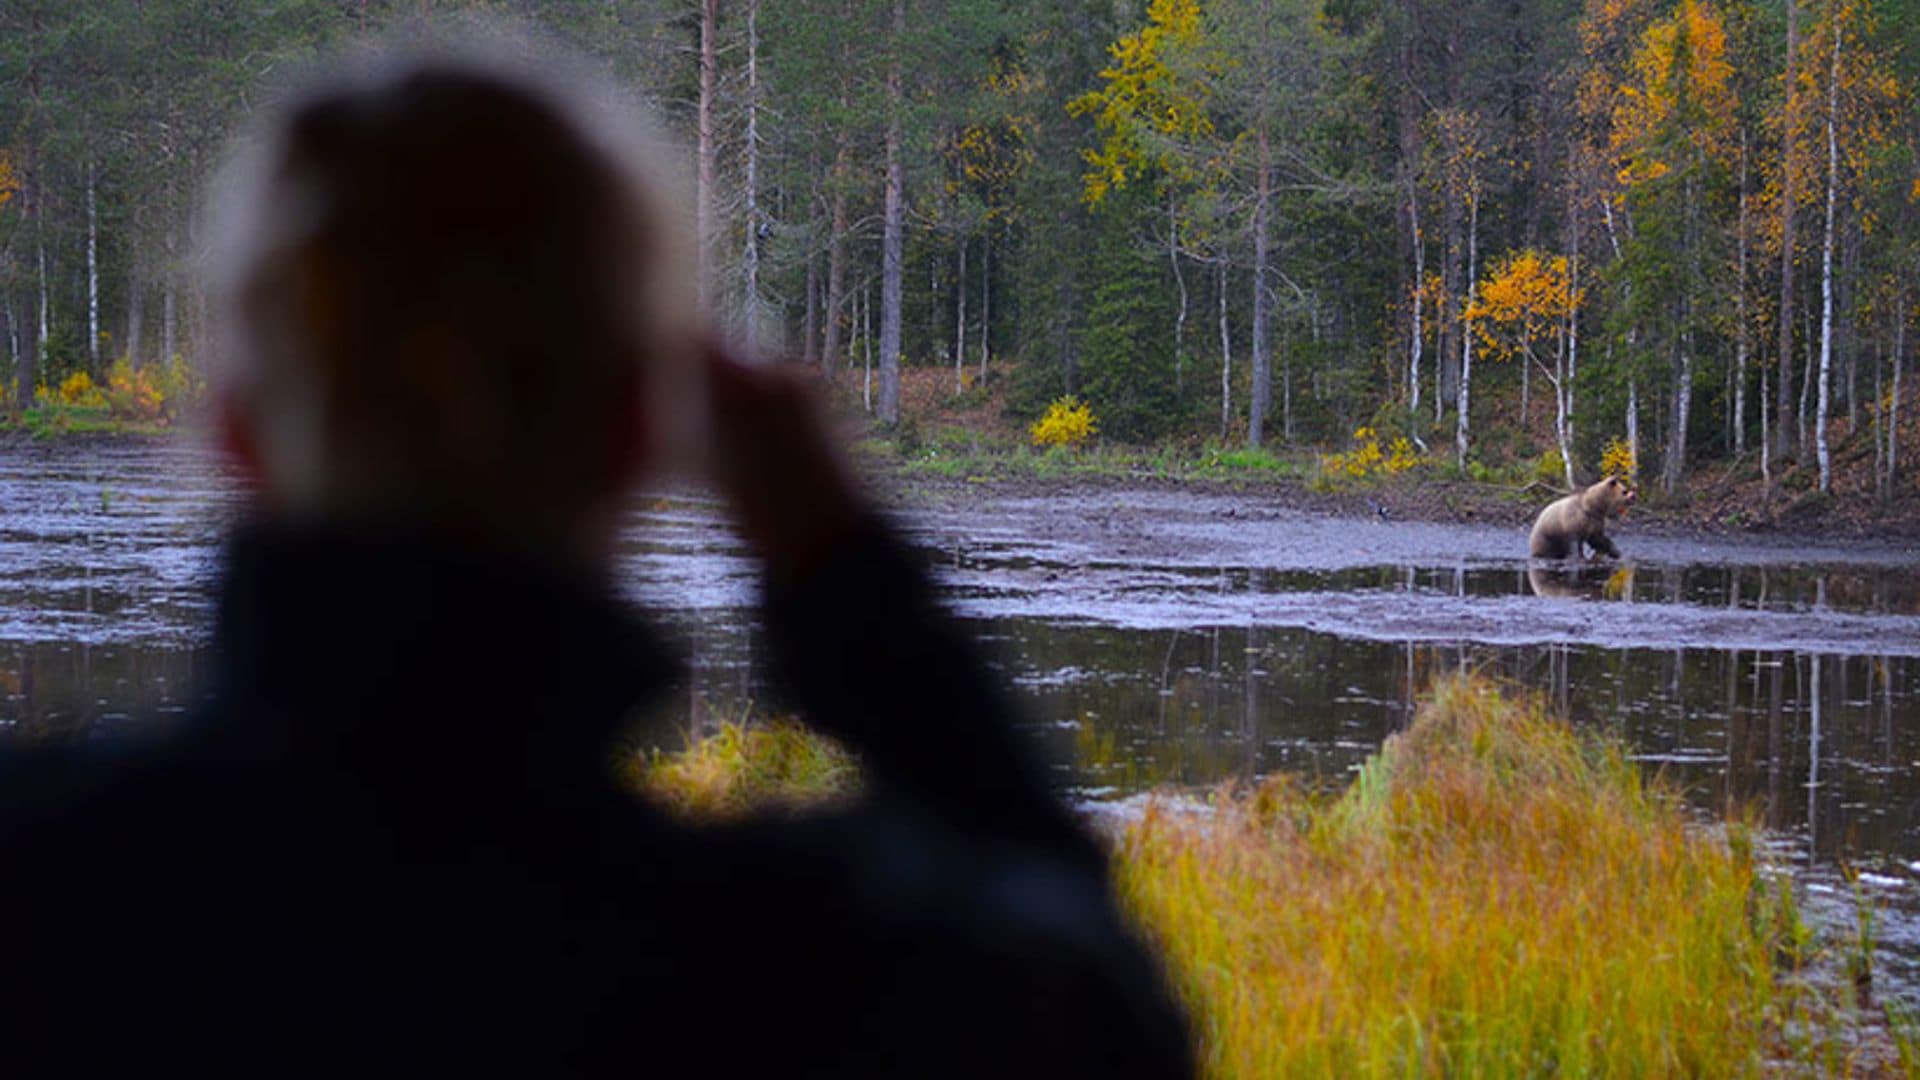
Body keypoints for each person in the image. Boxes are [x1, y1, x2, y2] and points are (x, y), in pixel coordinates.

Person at [0, 40, 1191, 1076]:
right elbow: (1106, 1012)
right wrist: (842, 568)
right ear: (644, 431)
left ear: (235, 431)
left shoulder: (46, 884)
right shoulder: (789, 967)